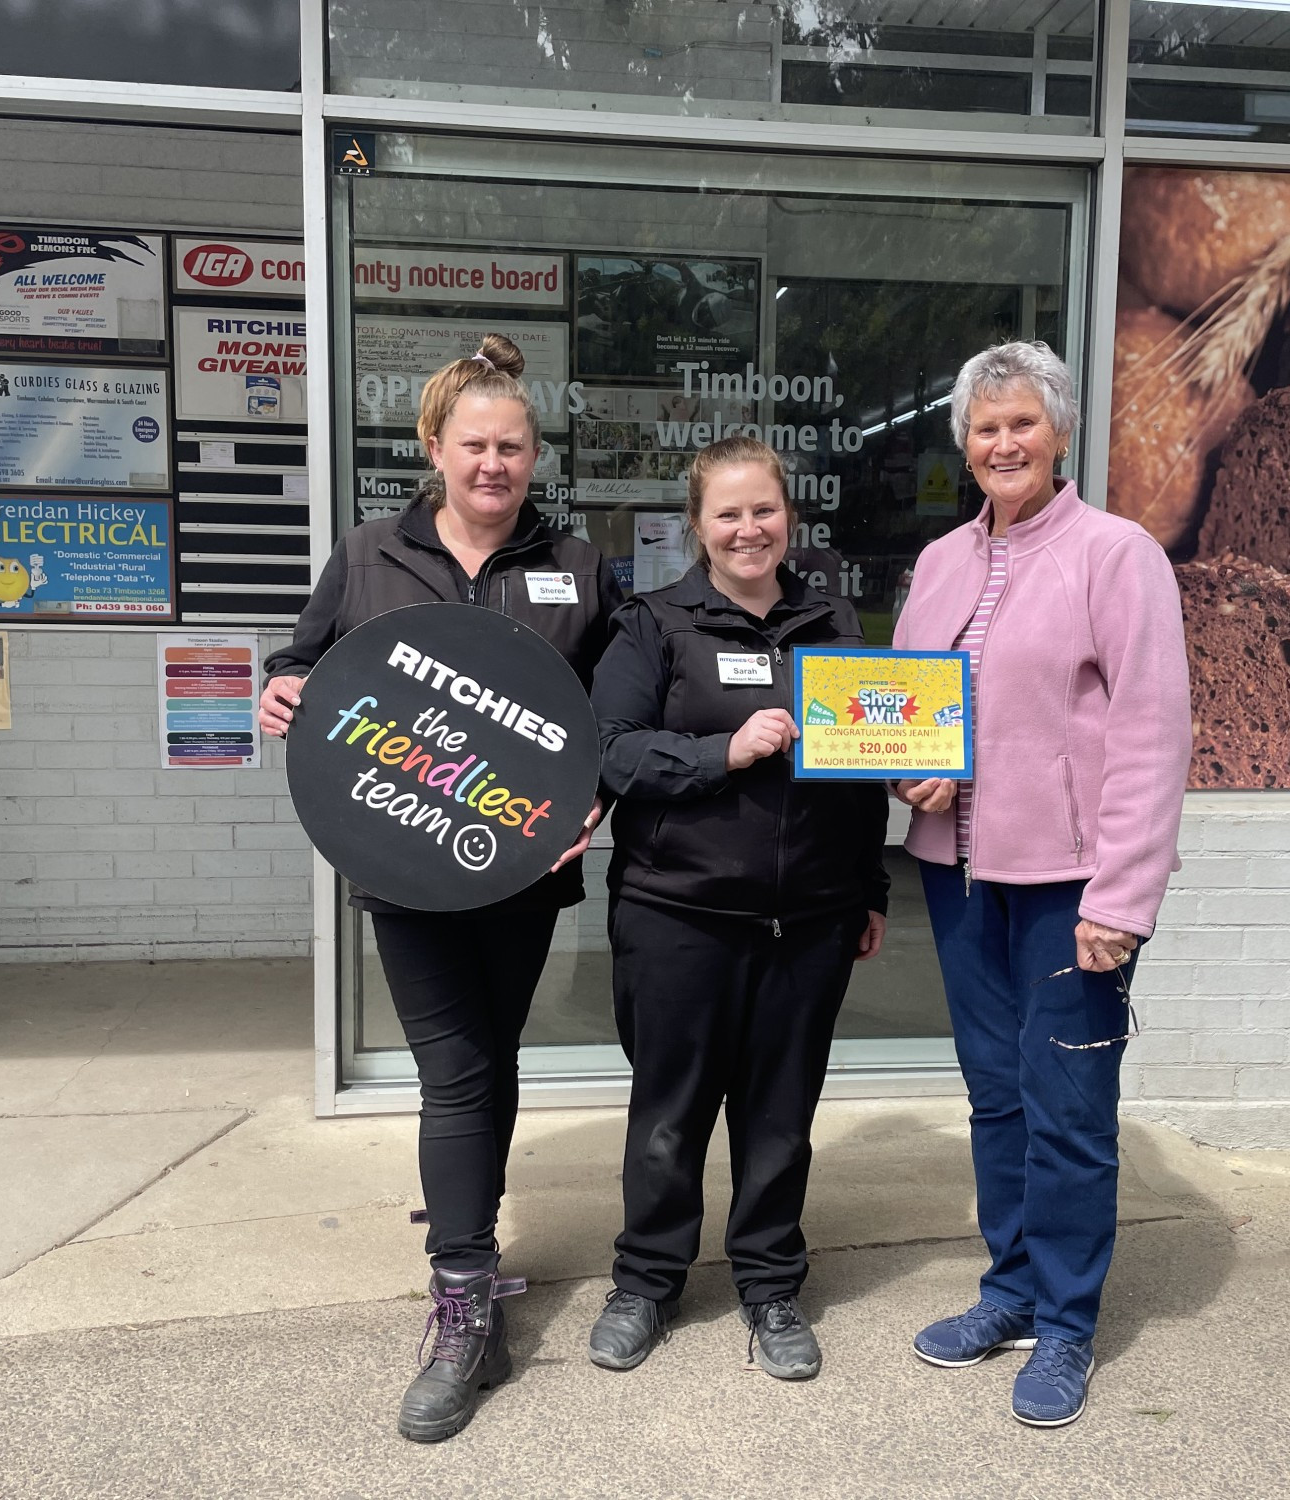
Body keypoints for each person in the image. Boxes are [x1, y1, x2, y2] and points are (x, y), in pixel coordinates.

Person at [258, 334, 621, 1444]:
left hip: (519, 872)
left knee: (488, 1059)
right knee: (454, 1072)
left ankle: (474, 1246)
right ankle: (462, 1295)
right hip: (407, 863)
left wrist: (596, 792)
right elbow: (304, 656)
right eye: (474, 445)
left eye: (511, 446)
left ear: (532, 453)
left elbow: (610, 704)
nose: (493, 464)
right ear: (435, 447)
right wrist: (282, 685)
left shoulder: (576, 562)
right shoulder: (371, 553)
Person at [891, 340, 1190, 1428]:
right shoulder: (935, 563)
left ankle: (1064, 1322)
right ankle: (1007, 1289)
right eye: (982, 426)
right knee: (994, 1100)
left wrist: (1122, 899)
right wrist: (904, 775)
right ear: (961, 443)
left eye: (1020, 423)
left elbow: (1154, 735)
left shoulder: (1117, 556)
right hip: (959, 877)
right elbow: (904, 709)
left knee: (1067, 1111)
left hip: (1071, 887)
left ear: (1057, 434)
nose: (1001, 443)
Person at [585, 435, 889, 1381]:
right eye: (729, 513)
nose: (748, 528)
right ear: (698, 526)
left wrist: (870, 887)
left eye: (764, 510)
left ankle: (770, 1286)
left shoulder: (833, 623)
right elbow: (610, 751)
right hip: (678, 914)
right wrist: (725, 753)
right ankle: (646, 1282)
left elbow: (862, 774)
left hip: (811, 922)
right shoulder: (654, 624)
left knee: (780, 1117)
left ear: (788, 516)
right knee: (669, 1114)